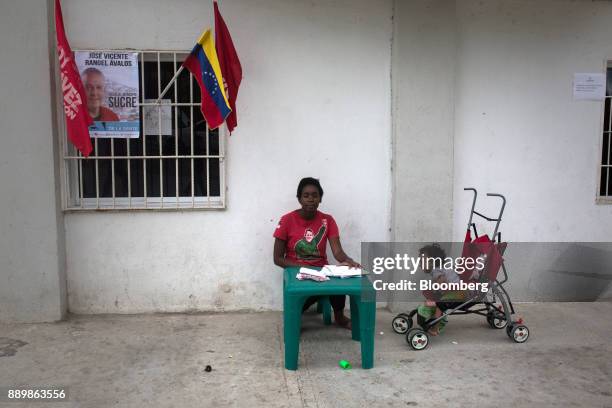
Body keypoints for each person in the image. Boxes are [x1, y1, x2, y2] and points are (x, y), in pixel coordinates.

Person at [273, 177, 361, 329]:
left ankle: (339, 317)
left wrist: (348, 260)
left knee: (339, 284)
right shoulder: (287, 220)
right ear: (299, 198)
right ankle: (298, 314)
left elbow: (337, 251)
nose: (310, 199)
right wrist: (304, 269)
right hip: (297, 274)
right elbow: (278, 258)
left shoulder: (327, 220)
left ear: (320, 198)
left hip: (322, 272)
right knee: (298, 307)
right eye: (306, 195)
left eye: (315, 195)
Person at [418, 243, 464, 336]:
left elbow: (442, 281)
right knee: (434, 298)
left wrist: (435, 289)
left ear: (432, 262)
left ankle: (435, 328)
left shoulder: (436, 271)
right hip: (454, 290)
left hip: (458, 292)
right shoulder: (439, 269)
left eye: (422, 261)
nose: (420, 263)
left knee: (440, 304)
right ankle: (432, 309)